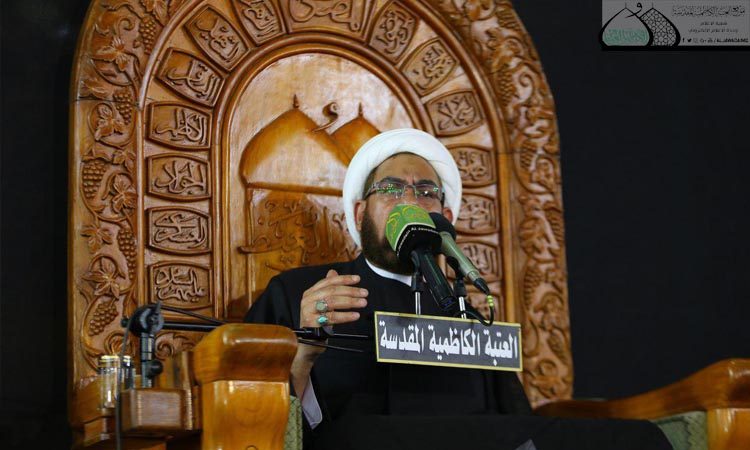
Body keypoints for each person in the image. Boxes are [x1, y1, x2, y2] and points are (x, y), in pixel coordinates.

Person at [245, 129, 672, 450]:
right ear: (360, 213)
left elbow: (516, 428)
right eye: (390, 189)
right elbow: (253, 414)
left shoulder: (468, 315)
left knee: (638, 440)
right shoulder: (300, 293)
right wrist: (303, 353)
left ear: (445, 218)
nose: (409, 202)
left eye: (426, 191)